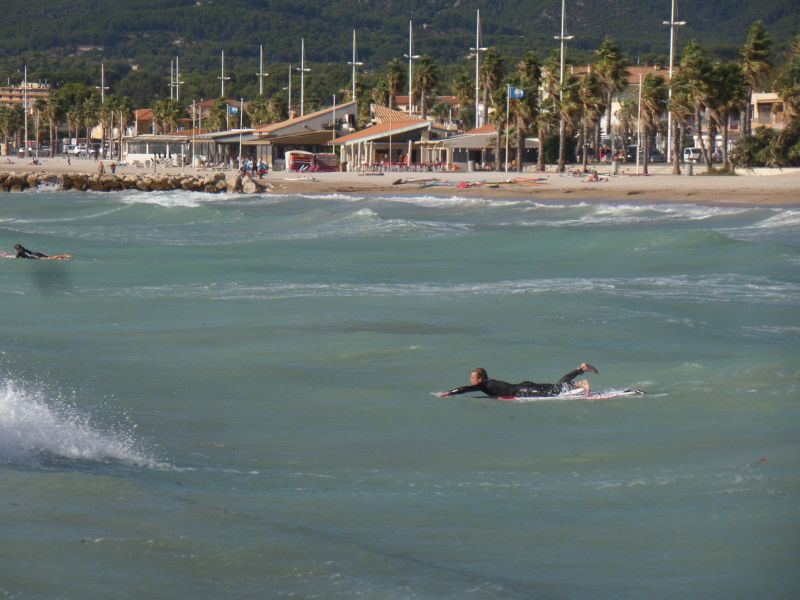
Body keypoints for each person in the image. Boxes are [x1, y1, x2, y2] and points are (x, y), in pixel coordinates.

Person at [436, 363, 599, 398]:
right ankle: (581, 370)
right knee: (557, 387)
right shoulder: (488, 382)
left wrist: (449, 393)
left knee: (557, 390)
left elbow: (466, 389)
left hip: (524, 391)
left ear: (480, 378)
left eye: (473, 378)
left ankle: (581, 382)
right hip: (523, 387)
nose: (471, 380)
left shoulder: (483, 384)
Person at [7, 243, 71, 260]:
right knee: (49, 257)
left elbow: (15, 258)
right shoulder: (23, 249)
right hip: (36, 253)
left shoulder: (19, 252)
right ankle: (63, 258)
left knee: (49, 258)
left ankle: (64, 255)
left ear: (16, 249)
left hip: (34, 256)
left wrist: (7, 256)